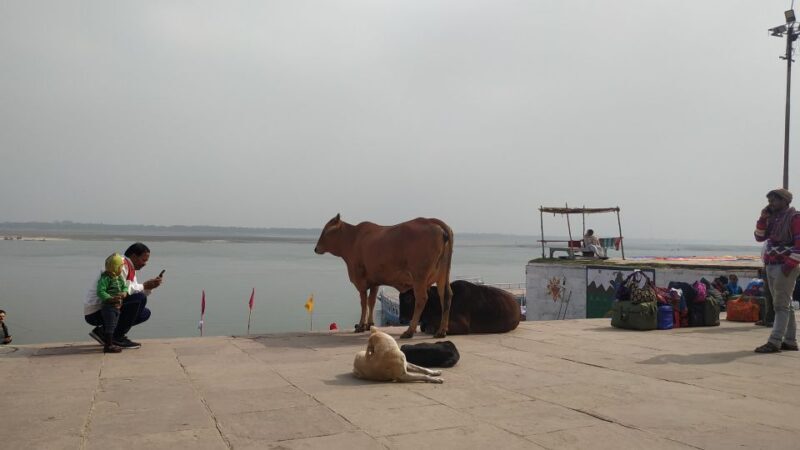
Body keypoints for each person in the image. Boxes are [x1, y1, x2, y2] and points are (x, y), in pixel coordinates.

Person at [84, 242, 163, 349]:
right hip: (98, 310)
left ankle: (103, 332)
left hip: (110, 306)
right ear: (134, 256)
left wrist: (149, 287)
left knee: (144, 313)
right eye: (144, 260)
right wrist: (144, 286)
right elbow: (120, 291)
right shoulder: (119, 264)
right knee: (140, 298)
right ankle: (117, 337)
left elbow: (132, 291)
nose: (145, 264)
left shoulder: (130, 268)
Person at [753, 188, 799, 353]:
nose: (771, 203)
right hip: (771, 264)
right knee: (785, 304)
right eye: (769, 201)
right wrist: (762, 219)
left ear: (785, 201)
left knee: (780, 306)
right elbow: (759, 237)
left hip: (784, 266)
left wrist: (788, 266)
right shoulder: (772, 218)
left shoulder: (794, 217)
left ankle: (774, 341)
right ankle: (790, 341)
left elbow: (799, 245)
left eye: (774, 200)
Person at [94, 253, 127, 353]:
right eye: (121, 267)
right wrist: (109, 298)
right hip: (108, 306)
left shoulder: (119, 277)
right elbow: (100, 291)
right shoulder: (105, 278)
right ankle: (108, 346)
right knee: (110, 326)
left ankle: (110, 342)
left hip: (117, 306)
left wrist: (124, 292)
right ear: (115, 267)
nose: (122, 269)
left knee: (113, 325)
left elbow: (124, 286)